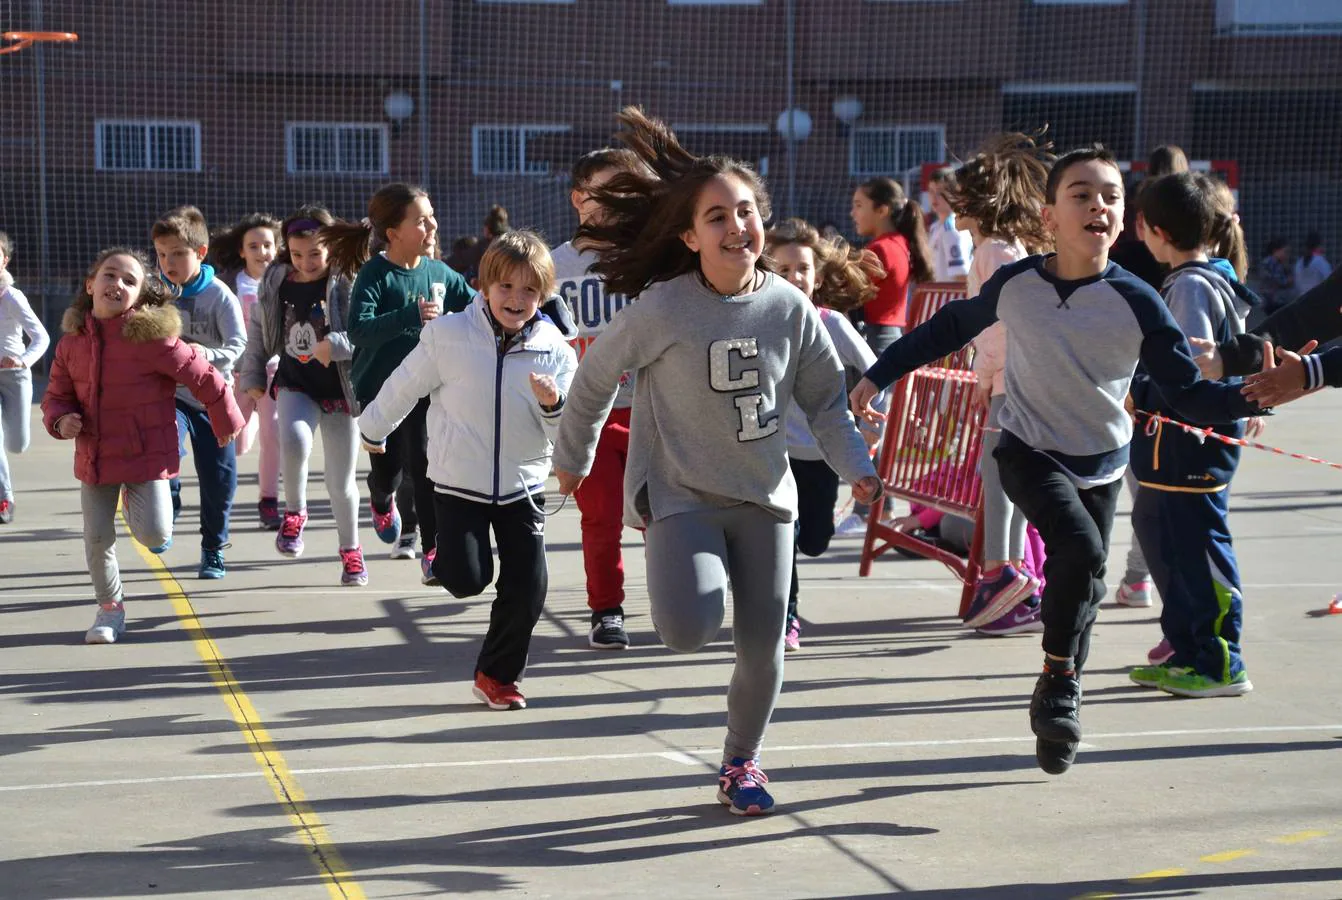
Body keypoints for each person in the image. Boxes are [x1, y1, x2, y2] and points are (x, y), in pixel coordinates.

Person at [850, 146, 1262, 776]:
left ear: (1121, 222)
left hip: (1100, 459)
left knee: (1085, 585)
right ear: (1049, 217)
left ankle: (1058, 689)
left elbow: (1187, 394)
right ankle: (1061, 680)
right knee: (1084, 554)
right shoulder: (1019, 285)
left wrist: (1260, 386)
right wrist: (875, 377)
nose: (1099, 203)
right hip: (1025, 446)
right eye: (1082, 194)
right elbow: (946, 329)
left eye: (1111, 196)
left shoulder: (1140, 301)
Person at [552, 108, 882, 815]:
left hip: (766, 498)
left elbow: (827, 402)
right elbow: (590, 382)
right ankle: (684, 566)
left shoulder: (791, 308)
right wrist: (573, 457)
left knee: (763, 648)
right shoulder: (662, 308)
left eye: (745, 212)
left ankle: (742, 763)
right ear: (688, 234)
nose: (737, 228)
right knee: (686, 630)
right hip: (680, 493)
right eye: (717, 216)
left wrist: (855, 464)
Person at [358, 231, 577, 710]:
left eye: (529, 291)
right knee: (467, 579)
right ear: (484, 286)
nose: (516, 300)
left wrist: (554, 405)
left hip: (524, 485)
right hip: (458, 484)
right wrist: (373, 429)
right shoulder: (448, 335)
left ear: (542, 296)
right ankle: (443, 554)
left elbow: (569, 428)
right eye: (506, 287)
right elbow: (404, 386)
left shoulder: (556, 350)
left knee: (529, 586)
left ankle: (497, 676)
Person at [41, 249, 244, 643]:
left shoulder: (154, 340)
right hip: (95, 457)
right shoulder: (71, 345)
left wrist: (225, 420)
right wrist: (60, 420)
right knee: (97, 538)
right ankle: (110, 609)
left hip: (146, 457)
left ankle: (154, 517)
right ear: (90, 285)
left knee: (152, 535)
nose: (117, 284)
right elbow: (56, 396)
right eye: (110, 275)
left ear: (140, 297)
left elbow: (206, 377)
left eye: (129, 281)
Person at [1125, 172, 1256, 698]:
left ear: (1152, 229)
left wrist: (1139, 391)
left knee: (1198, 546)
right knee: (1162, 538)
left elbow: (1188, 369)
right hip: (1169, 443)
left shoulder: (1193, 286)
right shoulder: (1195, 280)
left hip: (1191, 443)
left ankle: (1221, 658)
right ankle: (1183, 649)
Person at [324, 183, 475, 584]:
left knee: (425, 467)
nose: (432, 225)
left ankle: (432, 551)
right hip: (379, 392)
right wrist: (409, 315)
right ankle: (380, 497)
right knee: (388, 472)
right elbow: (358, 330)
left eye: (432, 216)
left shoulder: (440, 273)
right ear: (393, 233)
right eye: (421, 220)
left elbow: (476, 306)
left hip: (425, 391)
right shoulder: (376, 273)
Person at [942, 132, 1054, 632]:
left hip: (1013, 382)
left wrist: (986, 376)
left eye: (959, 198)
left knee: (999, 477)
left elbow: (1001, 325)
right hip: (1014, 380)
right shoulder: (997, 248)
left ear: (979, 201)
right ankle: (1012, 578)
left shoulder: (996, 252)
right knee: (1005, 478)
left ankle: (1002, 573)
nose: (951, 206)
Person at [768, 217, 884, 651]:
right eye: (783, 270)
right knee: (784, 537)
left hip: (820, 453)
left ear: (817, 276)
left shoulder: (832, 323)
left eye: (802, 269)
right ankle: (786, 618)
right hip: (773, 454)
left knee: (815, 540)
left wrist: (873, 417)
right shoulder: (759, 321)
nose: (794, 278)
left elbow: (878, 371)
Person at [239, 206, 368, 586]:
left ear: (329, 247)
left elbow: (366, 333)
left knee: (340, 482)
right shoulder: (276, 281)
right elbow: (260, 333)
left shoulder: (348, 281)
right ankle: (294, 513)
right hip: (297, 382)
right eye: (297, 254)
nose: (306, 262)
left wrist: (337, 347)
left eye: (314, 254)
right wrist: (253, 374)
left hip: (341, 391)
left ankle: (351, 552)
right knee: (292, 438)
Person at [551, 148, 645, 650]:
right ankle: (606, 609)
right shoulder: (553, 266)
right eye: (605, 192)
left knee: (663, 514)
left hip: (651, 408)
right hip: (588, 413)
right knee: (602, 516)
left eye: (626, 193)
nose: (616, 203)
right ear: (578, 198)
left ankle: (681, 600)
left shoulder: (649, 259)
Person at [152, 206, 247, 579]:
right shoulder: (157, 294)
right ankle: (166, 510)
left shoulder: (219, 296)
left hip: (211, 397)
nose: (168, 261)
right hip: (169, 396)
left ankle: (213, 548)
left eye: (177, 253)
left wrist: (206, 355)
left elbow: (237, 344)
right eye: (161, 254)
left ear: (201, 253)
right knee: (165, 455)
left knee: (219, 476)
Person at [838, 175, 934, 536]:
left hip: (876, 338)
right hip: (885, 337)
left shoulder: (879, 251)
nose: (853, 212)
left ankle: (865, 511)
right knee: (871, 426)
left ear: (881, 209)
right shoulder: (897, 245)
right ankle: (876, 506)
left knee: (865, 427)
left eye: (859, 205)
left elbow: (845, 291)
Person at [211, 213, 283, 530]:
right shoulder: (229, 285)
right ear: (242, 251)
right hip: (238, 375)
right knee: (233, 442)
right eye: (253, 246)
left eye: (267, 245)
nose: (261, 252)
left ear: (276, 248)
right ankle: (220, 498)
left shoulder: (286, 281)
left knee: (275, 438)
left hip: (275, 374)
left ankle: (269, 501)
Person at [0, 231, 50, 524]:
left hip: (15, 377)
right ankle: (5, 498)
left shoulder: (11, 297)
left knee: (17, 444)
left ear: (4, 261)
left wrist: (22, 360)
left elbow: (41, 337)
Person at [926, 167, 972, 283]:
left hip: (950, 298)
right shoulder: (935, 227)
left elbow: (961, 276)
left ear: (955, 194)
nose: (934, 197)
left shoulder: (951, 229)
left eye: (940, 193)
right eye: (931, 191)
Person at [1252, 238, 1294, 313]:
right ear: (1276, 251)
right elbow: (1275, 280)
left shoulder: (1278, 264)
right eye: (1285, 252)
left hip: (1275, 301)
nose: (1287, 255)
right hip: (1270, 302)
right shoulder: (1269, 263)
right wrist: (1287, 281)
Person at [1294, 231, 1332, 296]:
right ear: (1319, 246)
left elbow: (1296, 284)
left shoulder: (1298, 263)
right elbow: (1329, 281)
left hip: (1301, 300)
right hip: (1318, 300)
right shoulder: (1321, 262)